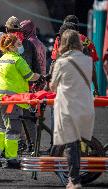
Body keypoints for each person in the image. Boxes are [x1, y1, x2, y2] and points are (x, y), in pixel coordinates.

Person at [50, 29, 95, 189]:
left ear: (64, 43)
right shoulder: (88, 61)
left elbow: (53, 86)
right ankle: (78, 176)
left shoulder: (61, 62)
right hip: (86, 107)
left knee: (71, 145)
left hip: (68, 108)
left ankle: (74, 180)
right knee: (80, 143)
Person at [0, 33, 41, 167]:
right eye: (18, 44)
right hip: (10, 100)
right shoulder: (17, 60)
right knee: (13, 130)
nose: (21, 47)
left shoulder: (2, 59)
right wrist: (41, 76)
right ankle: (11, 159)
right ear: (11, 46)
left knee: (1, 128)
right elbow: (30, 76)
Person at [5, 16, 41, 150]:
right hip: (25, 90)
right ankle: (32, 144)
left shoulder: (4, 45)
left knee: (11, 118)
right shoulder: (29, 44)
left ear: (6, 29)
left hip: (9, 93)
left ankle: (16, 145)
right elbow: (36, 67)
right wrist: (37, 82)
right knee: (27, 117)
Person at [50, 15, 99, 95]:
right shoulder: (86, 41)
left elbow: (54, 62)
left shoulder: (59, 39)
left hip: (64, 88)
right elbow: (92, 66)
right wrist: (96, 88)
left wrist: (47, 86)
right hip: (83, 90)